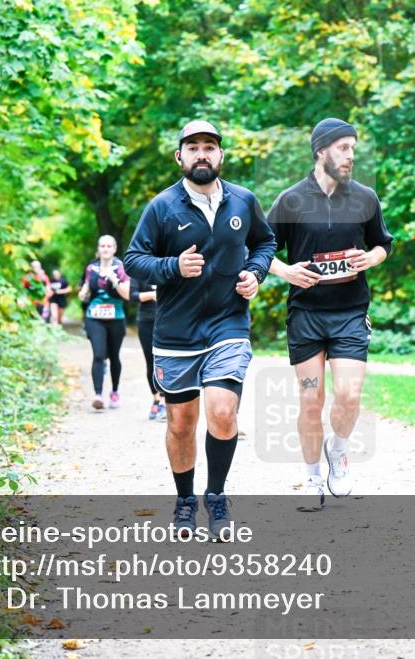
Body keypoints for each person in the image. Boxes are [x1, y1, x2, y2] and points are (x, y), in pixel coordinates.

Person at [124, 120, 275, 540]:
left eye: (209, 147)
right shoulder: (162, 207)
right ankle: (185, 500)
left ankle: (216, 497)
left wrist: (255, 272)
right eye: (193, 148)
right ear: (180, 157)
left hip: (228, 323)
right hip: (175, 332)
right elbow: (134, 260)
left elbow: (265, 243)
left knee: (223, 413)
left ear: (221, 156)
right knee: (181, 423)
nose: (201, 154)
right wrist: (172, 267)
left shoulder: (244, 201)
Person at [267, 118, 393, 507]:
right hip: (306, 315)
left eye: (353, 148)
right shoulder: (290, 200)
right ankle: (311, 478)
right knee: (310, 401)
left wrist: (369, 258)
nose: (350, 155)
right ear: (321, 151)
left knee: (349, 395)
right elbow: (258, 249)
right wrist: (286, 270)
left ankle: (337, 451)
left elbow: (383, 245)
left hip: (350, 313)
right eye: (342, 148)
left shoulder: (365, 198)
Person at [78, 235, 131, 411]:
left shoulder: (121, 267)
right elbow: (85, 288)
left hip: (116, 317)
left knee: (114, 356)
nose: (105, 249)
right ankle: (98, 395)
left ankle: (114, 391)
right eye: (102, 246)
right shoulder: (91, 268)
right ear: (99, 249)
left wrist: (114, 279)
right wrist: (83, 293)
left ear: (114, 249)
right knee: (99, 355)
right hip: (95, 317)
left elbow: (127, 294)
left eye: (109, 246)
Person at [129, 275, 166, 422]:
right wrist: (151, 295)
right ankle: (157, 399)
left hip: (168, 321)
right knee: (151, 361)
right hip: (146, 321)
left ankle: (164, 401)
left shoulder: (170, 265)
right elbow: (132, 295)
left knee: (165, 361)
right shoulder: (141, 269)